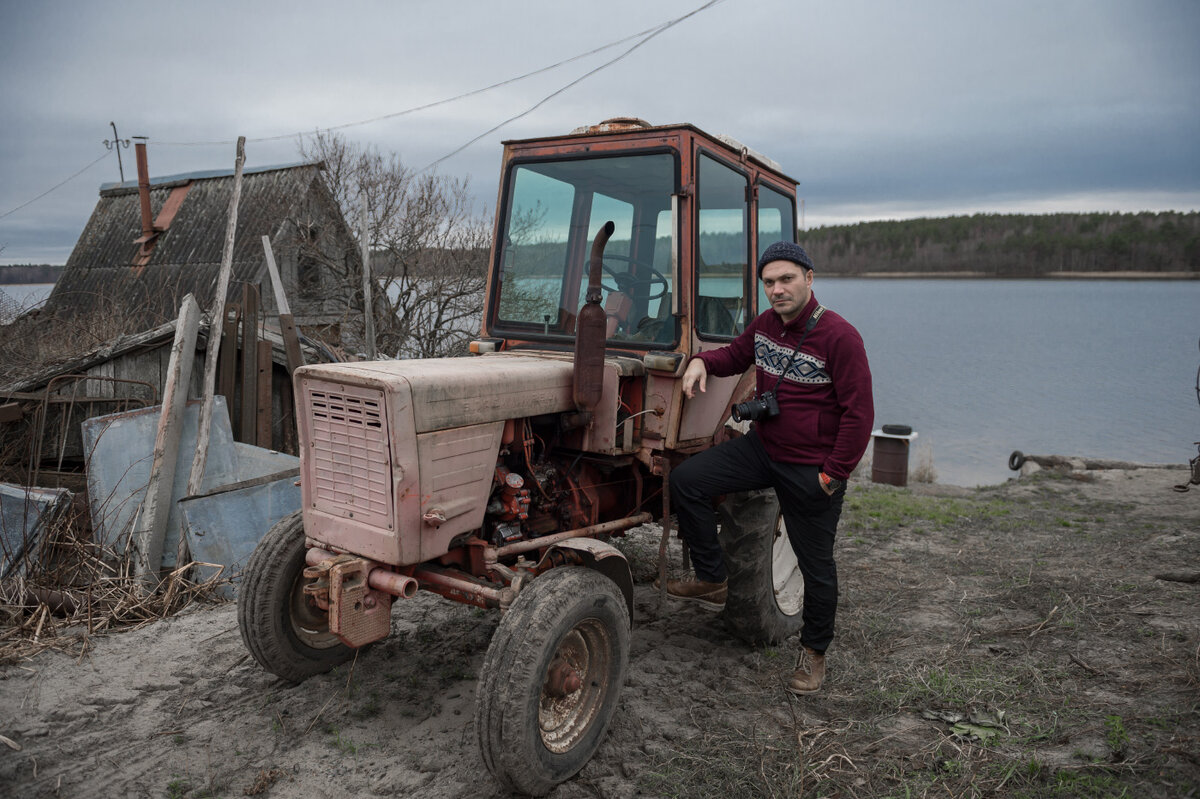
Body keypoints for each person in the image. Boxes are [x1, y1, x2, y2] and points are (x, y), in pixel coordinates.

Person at [666, 240, 873, 695]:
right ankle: (714, 577)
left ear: (809, 279)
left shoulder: (840, 337)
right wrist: (700, 361)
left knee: (816, 566)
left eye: (786, 279)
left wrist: (832, 474)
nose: (777, 289)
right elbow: (734, 356)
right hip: (763, 450)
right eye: (769, 283)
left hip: (811, 468)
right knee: (687, 481)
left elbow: (860, 416)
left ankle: (814, 653)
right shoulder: (765, 326)